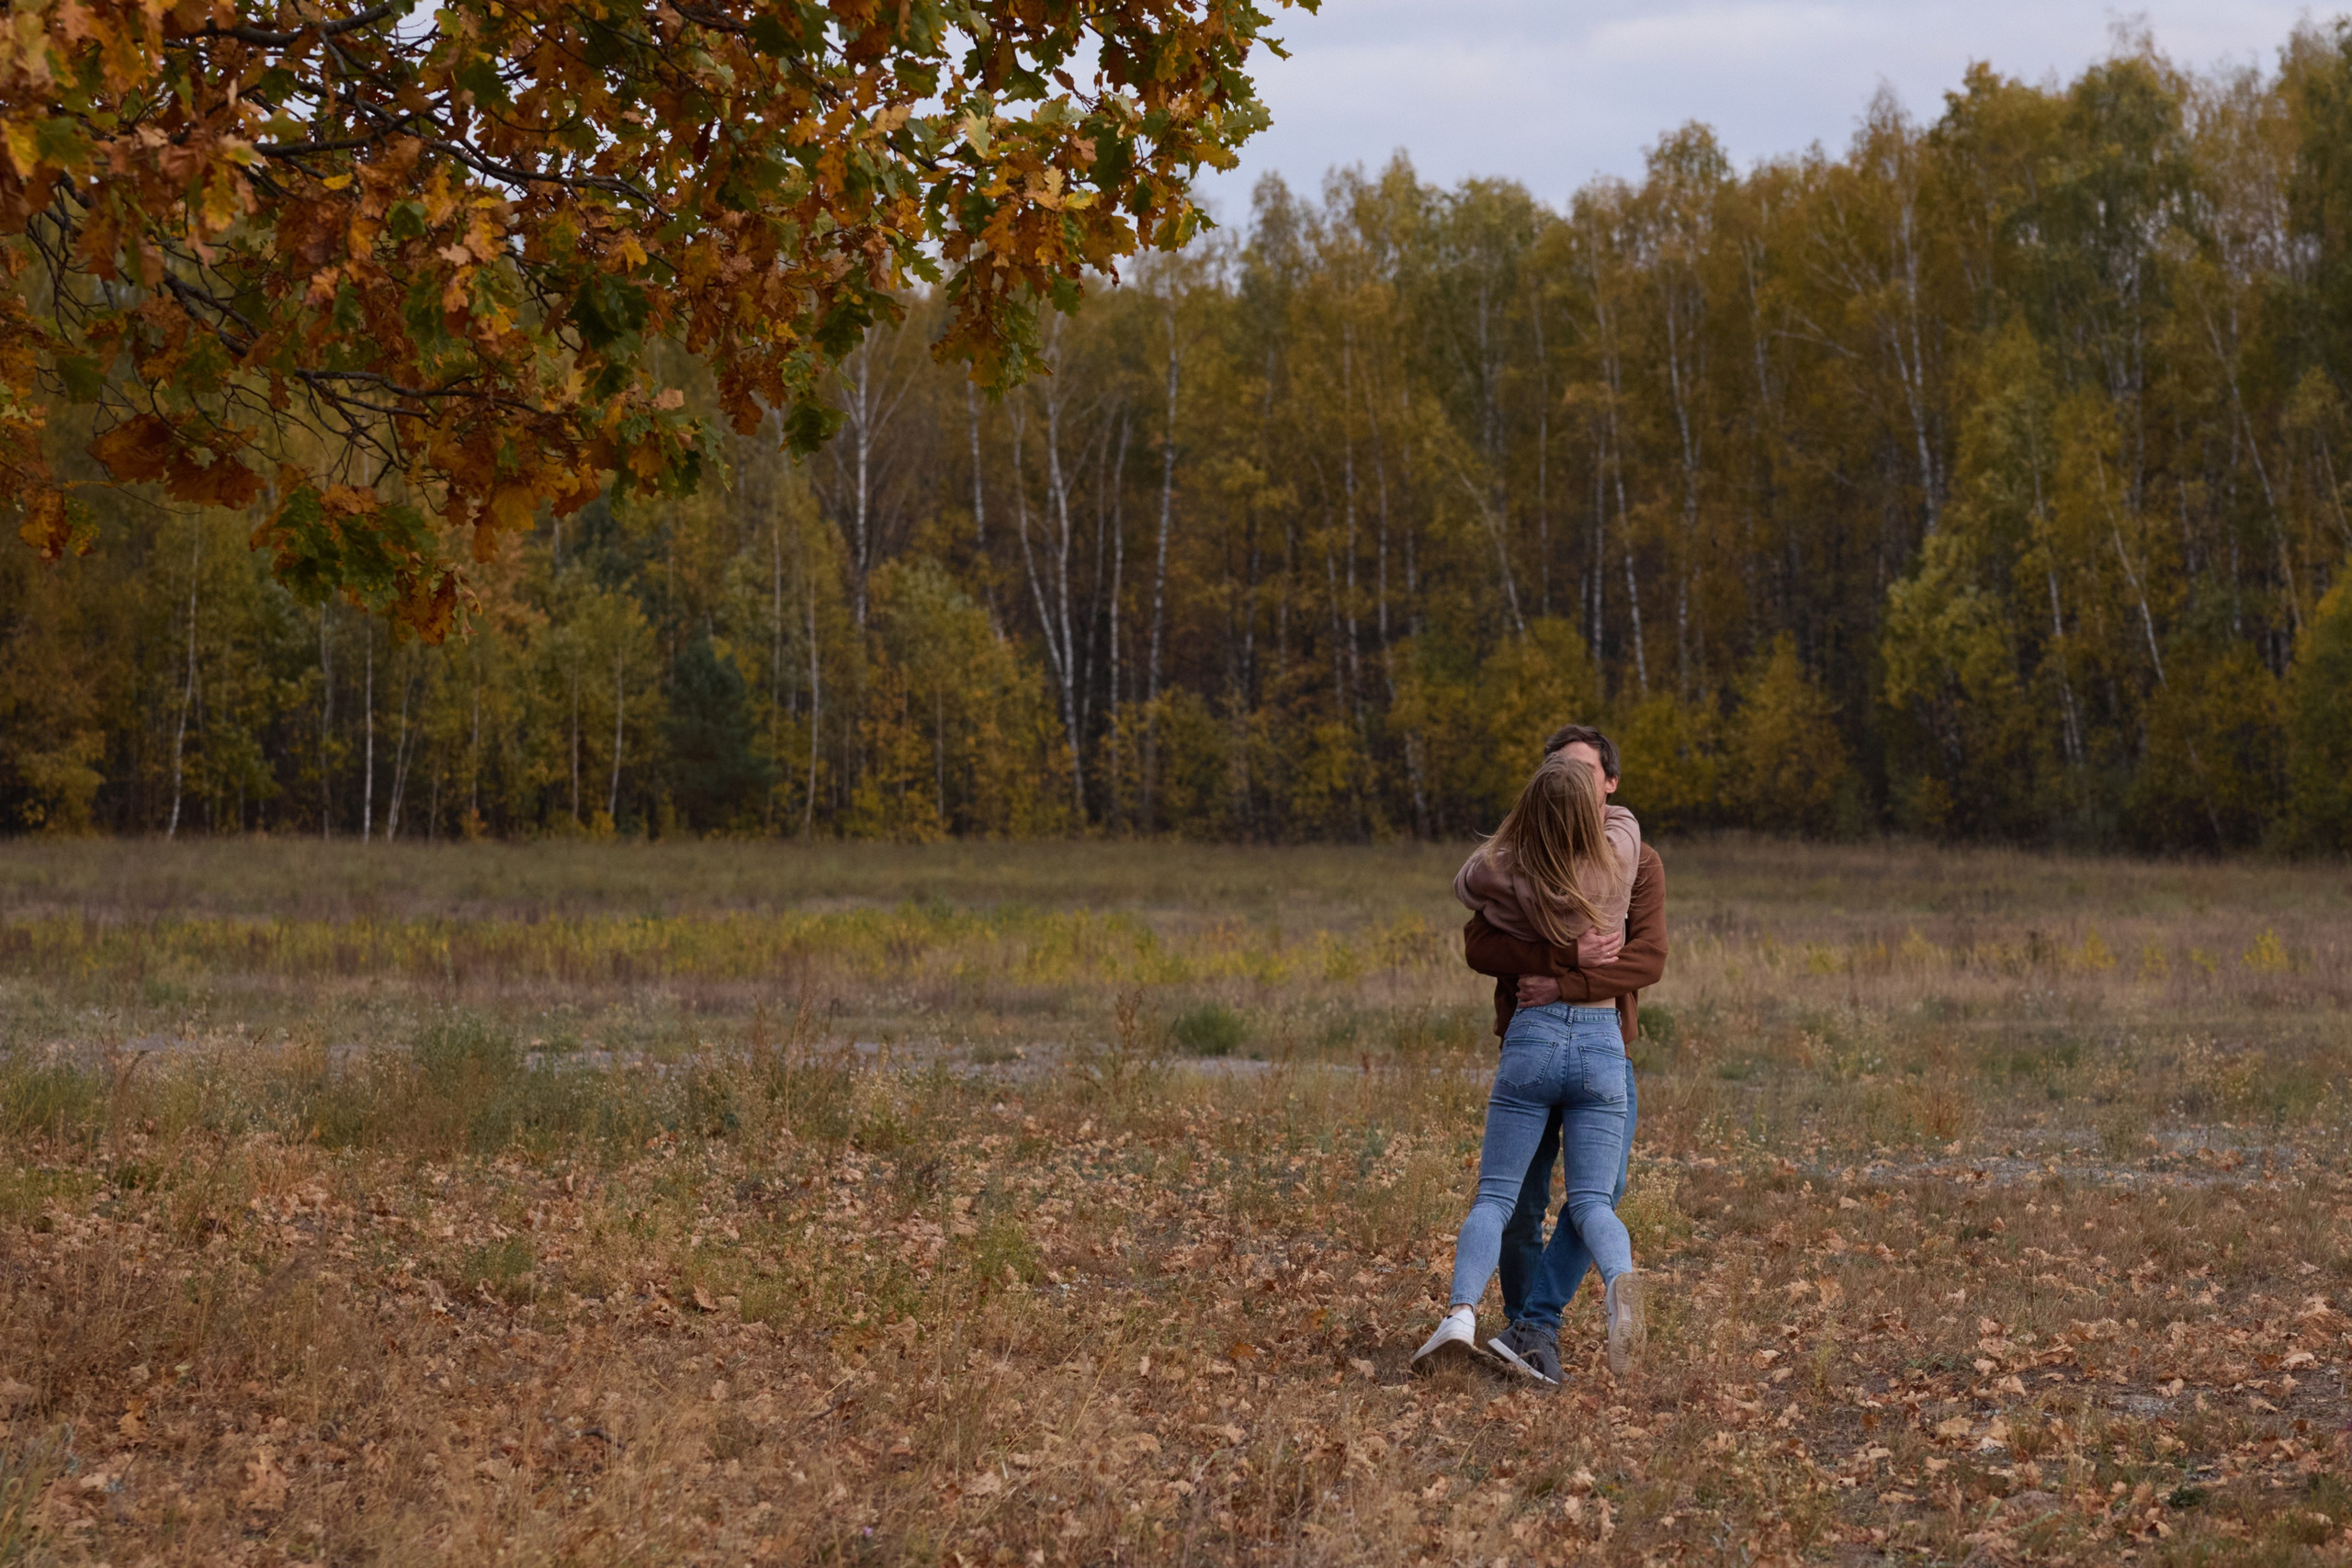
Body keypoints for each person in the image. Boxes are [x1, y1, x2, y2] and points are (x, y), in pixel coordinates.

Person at [1413, 749, 1646, 1382]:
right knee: (1594, 1200)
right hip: (1602, 1043)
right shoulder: (1621, 853)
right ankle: (1620, 1280)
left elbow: (1465, 880)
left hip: (1533, 1035)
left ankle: (1461, 1313)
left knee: (1495, 1196)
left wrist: (1525, 828)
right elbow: (1620, 814)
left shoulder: (1511, 871)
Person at [1465, 725, 1667, 1387]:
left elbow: (1646, 958)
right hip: (1541, 1040)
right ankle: (1523, 1329)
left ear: (1609, 784)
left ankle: (1535, 1325)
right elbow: (1480, 947)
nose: (1575, 783)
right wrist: (1562, 958)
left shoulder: (1639, 861)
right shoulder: (1522, 853)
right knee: (1524, 1203)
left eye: (1586, 772)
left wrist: (1565, 981)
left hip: (1602, 1038)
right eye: (1562, 771)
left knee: (1597, 1193)